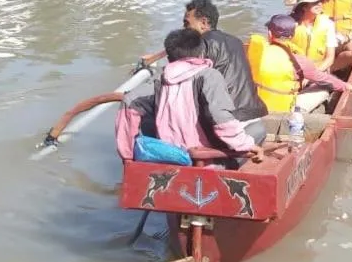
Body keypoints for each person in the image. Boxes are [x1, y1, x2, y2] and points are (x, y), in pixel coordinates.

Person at [114, 28, 265, 162]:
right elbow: (222, 121)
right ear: (201, 53)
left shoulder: (159, 79)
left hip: (168, 155)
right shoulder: (209, 76)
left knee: (147, 119)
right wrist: (247, 146)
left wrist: (128, 156)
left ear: (169, 57)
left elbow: (129, 100)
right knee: (258, 129)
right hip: (202, 157)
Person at [248, 14, 352, 114]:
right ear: (292, 35)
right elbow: (323, 78)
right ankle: (303, 112)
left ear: (269, 34)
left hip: (255, 104)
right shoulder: (299, 61)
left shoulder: (256, 52)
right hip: (283, 110)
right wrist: (344, 86)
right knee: (324, 89)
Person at [183, 0, 267, 122]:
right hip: (255, 114)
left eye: (187, 24)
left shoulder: (201, 44)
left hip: (230, 121)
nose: (184, 29)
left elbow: (189, 87)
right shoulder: (236, 41)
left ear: (204, 23)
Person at [288, 0, 338, 73]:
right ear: (304, 6)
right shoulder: (290, 25)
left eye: (321, 1)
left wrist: (313, 74)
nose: (320, 4)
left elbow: (330, 58)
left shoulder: (328, 24)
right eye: (315, 2)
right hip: (293, 71)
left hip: (318, 72)